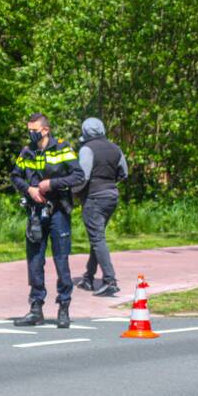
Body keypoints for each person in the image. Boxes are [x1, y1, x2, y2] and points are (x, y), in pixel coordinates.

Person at [10, 113, 85, 328]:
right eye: (29, 130)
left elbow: (78, 176)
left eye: (34, 130)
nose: (30, 134)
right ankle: (36, 308)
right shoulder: (27, 151)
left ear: (45, 130)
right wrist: (30, 189)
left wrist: (51, 183)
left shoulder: (62, 148)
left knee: (61, 260)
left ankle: (63, 308)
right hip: (35, 211)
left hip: (58, 211)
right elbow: (15, 176)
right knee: (35, 261)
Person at [73, 117, 128, 297]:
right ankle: (89, 278)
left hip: (94, 198)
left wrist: (72, 193)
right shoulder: (115, 148)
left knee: (97, 239)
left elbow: (84, 176)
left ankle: (109, 280)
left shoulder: (87, 149)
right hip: (111, 196)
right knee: (98, 238)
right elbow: (124, 173)